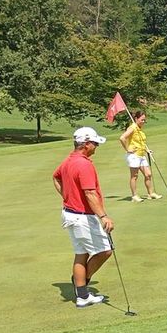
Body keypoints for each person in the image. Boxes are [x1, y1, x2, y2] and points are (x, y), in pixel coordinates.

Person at [53, 126, 115, 307]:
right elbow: (90, 193)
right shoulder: (84, 164)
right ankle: (81, 283)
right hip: (82, 217)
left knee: (81, 253)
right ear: (86, 144)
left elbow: (56, 177)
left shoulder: (69, 160)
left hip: (70, 215)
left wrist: (68, 197)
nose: (96, 146)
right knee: (105, 250)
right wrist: (103, 216)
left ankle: (82, 295)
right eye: (95, 143)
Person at [119, 110, 161, 203]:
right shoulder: (132, 128)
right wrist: (127, 149)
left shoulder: (139, 129)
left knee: (148, 174)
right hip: (134, 155)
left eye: (144, 120)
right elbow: (122, 138)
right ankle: (134, 196)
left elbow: (141, 142)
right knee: (134, 176)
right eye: (142, 120)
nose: (143, 122)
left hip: (141, 155)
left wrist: (147, 150)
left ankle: (151, 194)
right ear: (136, 119)